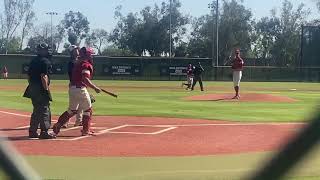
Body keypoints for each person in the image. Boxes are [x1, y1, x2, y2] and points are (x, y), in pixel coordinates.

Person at [52, 47, 101, 137]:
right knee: (88, 109)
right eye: (91, 54)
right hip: (80, 89)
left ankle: (58, 125)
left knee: (72, 110)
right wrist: (95, 88)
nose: (92, 56)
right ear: (87, 55)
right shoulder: (86, 64)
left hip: (73, 89)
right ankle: (86, 130)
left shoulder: (78, 63)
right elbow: (85, 79)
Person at [23, 43, 55, 139]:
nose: (47, 51)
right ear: (42, 50)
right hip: (40, 87)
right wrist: (46, 89)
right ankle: (44, 131)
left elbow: (28, 77)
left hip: (32, 87)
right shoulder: (45, 62)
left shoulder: (33, 61)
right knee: (45, 109)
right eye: (45, 49)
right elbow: (43, 76)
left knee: (36, 109)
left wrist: (33, 86)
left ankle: (32, 131)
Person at [62, 45, 83, 128]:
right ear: (72, 52)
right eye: (75, 50)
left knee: (80, 104)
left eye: (77, 49)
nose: (77, 51)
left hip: (79, 85)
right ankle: (65, 121)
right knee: (73, 106)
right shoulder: (72, 62)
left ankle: (78, 121)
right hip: (75, 85)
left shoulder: (78, 61)